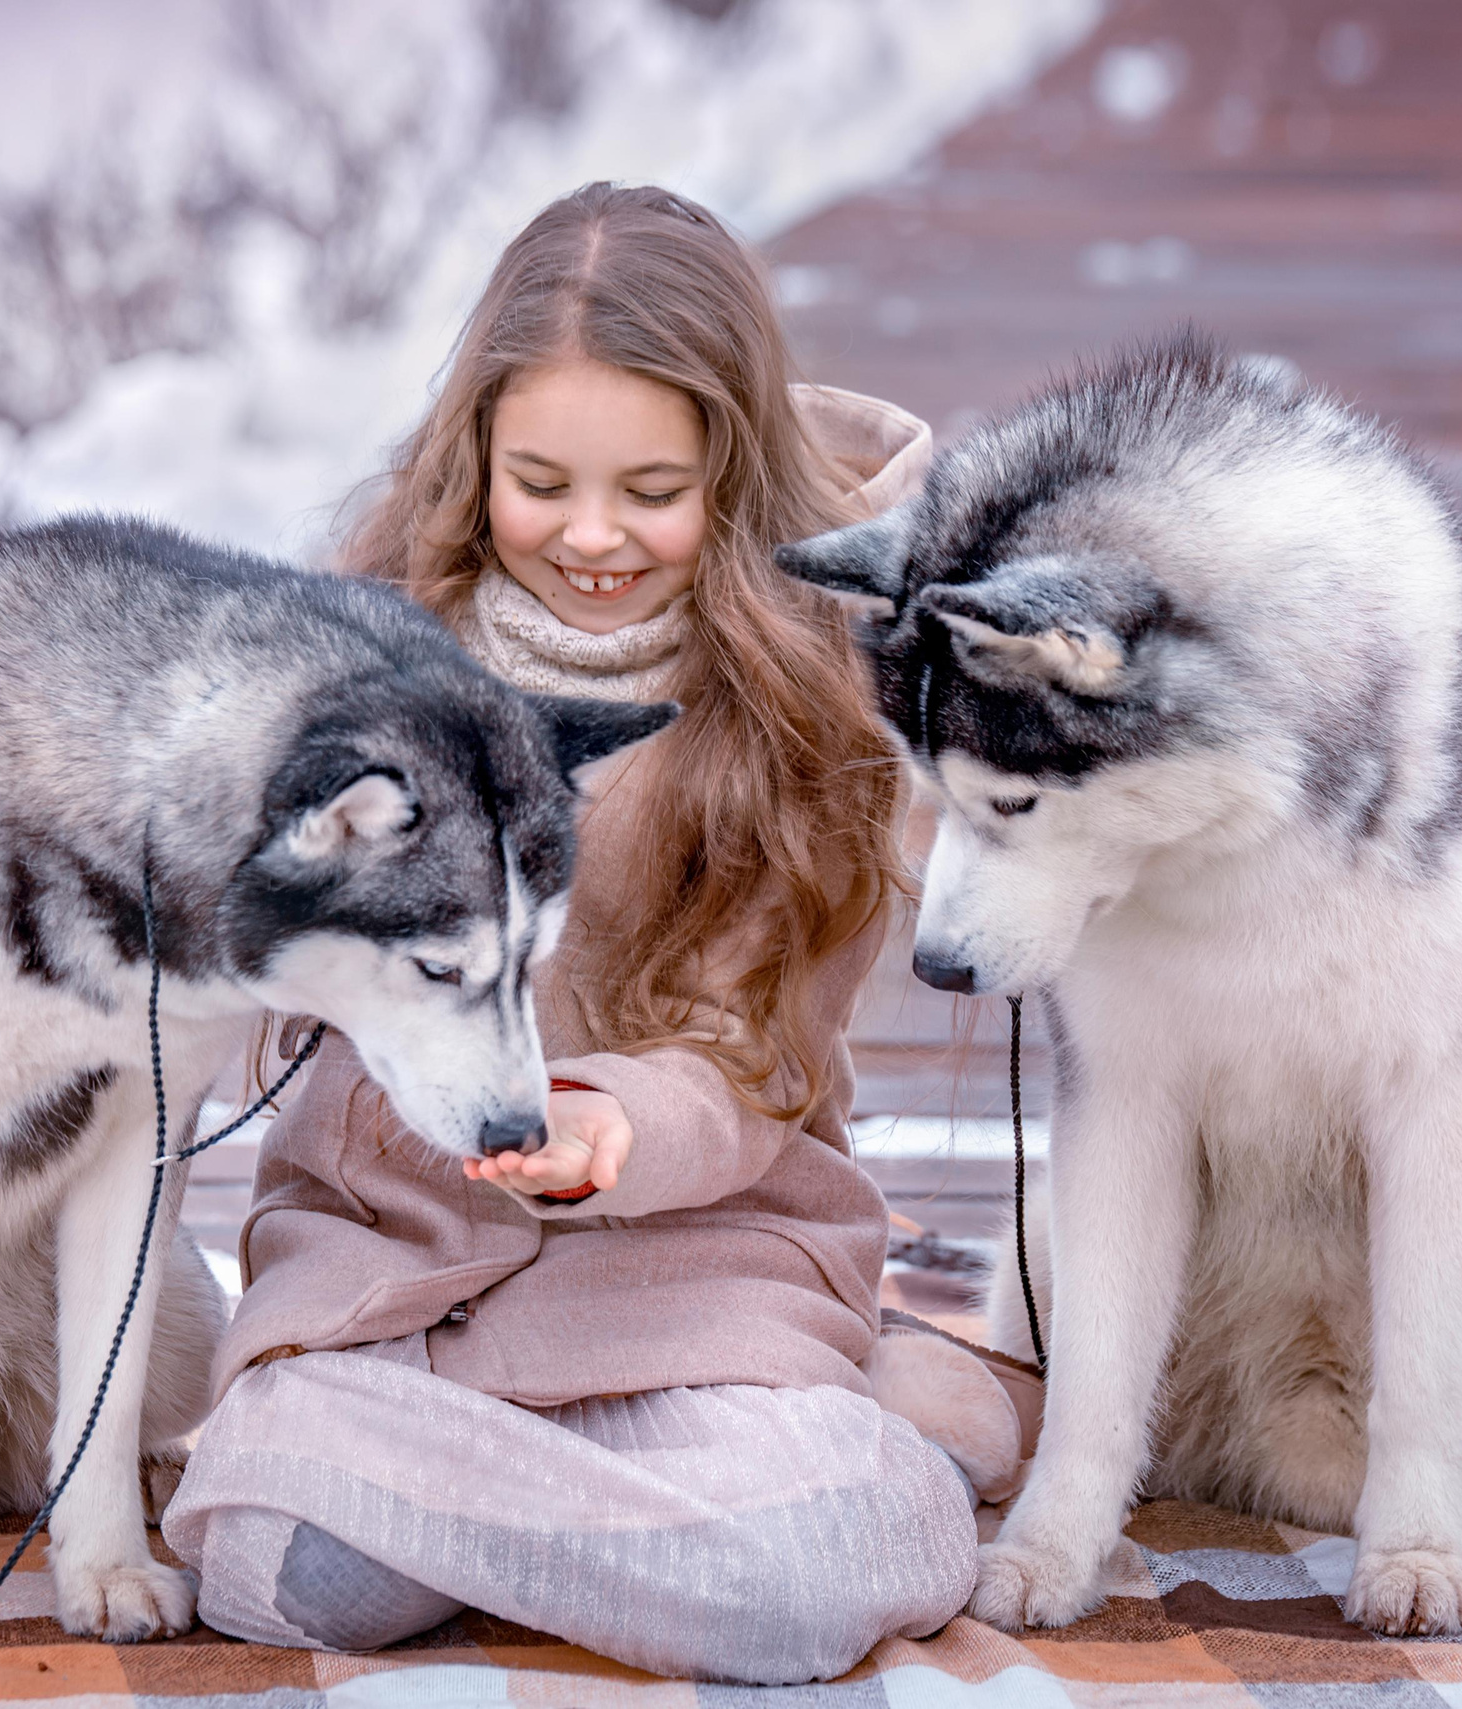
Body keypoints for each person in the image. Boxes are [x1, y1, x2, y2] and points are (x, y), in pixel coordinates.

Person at [158, 182, 1030, 1685]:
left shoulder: (794, 711)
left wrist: (613, 1124)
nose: (593, 534)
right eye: (543, 480)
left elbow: (751, 1050)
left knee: (806, 1587)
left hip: (697, 1283)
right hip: (398, 1284)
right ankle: (629, 1534)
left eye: (652, 488)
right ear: (476, 453)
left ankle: (821, 1479)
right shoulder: (359, 645)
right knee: (272, 1571)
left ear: (732, 474)